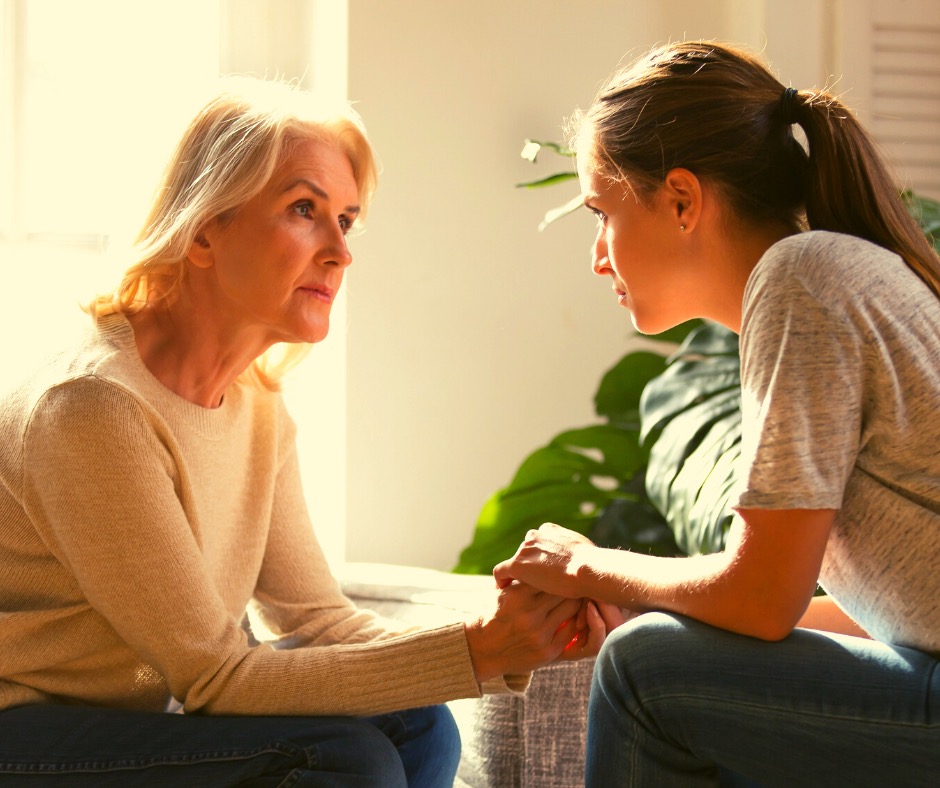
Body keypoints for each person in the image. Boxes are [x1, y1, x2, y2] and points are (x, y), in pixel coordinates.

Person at [0, 77, 617, 786]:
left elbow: (321, 620)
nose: (340, 252)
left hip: (135, 719)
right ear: (203, 229)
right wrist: (477, 649)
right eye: (304, 209)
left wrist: (513, 636)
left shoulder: (258, 407)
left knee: (413, 723)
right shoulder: (91, 408)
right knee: (345, 759)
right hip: (22, 728)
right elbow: (213, 676)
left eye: (346, 221)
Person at [494, 40, 940, 787]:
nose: (598, 258)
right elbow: (872, 617)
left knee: (645, 674)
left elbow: (762, 599)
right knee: (661, 648)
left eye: (602, 213)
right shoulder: (826, 276)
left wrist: (586, 563)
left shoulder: (803, 281)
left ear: (681, 200)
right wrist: (650, 602)